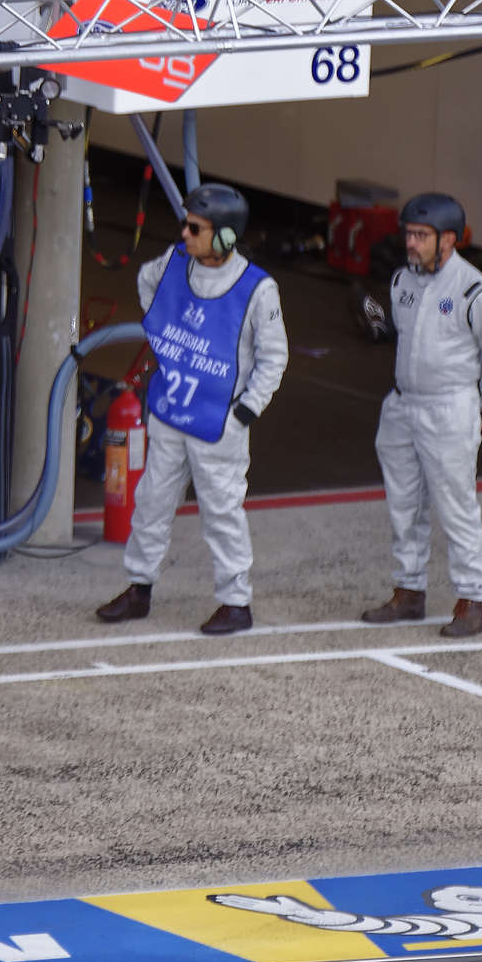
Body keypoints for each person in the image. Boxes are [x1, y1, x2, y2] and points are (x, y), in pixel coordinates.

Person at [96, 183, 288, 636]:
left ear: (224, 236)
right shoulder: (175, 262)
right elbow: (148, 283)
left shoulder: (258, 289)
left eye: (195, 227)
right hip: (168, 414)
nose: (184, 233)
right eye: (186, 223)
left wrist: (247, 410)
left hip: (218, 423)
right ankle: (138, 589)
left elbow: (274, 356)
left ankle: (236, 603)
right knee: (150, 505)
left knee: (222, 513)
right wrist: (163, 329)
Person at [356, 193, 482, 636]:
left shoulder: (475, 291)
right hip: (403, 404)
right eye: (409, 234)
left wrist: (478, 407)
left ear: (449, 239)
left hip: (450, 407)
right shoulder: (401, 282)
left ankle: (472, 601)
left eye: (421, 236)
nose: (412, 243)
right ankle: (409, 592)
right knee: (404, 505)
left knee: (456, 506)